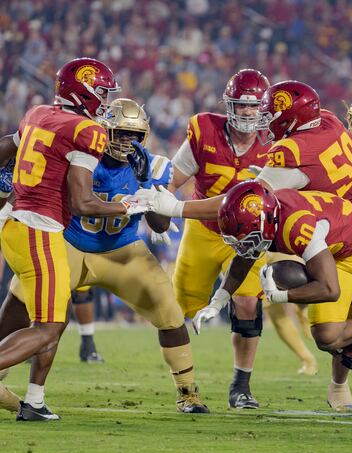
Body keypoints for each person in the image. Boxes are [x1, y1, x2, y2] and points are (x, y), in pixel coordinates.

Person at [5, 98, 209, 413]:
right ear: (104, 129)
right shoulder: (82, 152)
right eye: (121, 133)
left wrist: (147, 183)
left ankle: (188, 392)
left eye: (134, 135)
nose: (127, 141)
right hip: (69, 243)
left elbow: (159, 223)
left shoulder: (152, 165)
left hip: (122, 250)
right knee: (20, 303)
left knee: (169, 312)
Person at [209, 181, 352, 424]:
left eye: (247, 238)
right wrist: (218, 299)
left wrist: (282, 296)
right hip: (338, 253)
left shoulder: (297, 225)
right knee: (327, 335)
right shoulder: (271, 216)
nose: (243, 245)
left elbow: (329, 289)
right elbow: (243, 257)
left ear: (264, 222)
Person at [0, 57, 149, 421]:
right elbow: (83, 202)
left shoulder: (39, 113)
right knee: (48, 326)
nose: (105, 100)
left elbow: (7, 145)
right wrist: (128, 205)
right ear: (83, 91)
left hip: (16, 224)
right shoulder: (87, 130)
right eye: (102, 92)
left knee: (55, 318)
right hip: (40, 228)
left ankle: (34, 402)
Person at [169, 69, 316, 408]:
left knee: (248, 303)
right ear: (229, 105)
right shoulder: (204, 131)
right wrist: (160, 212)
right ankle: (186, 389)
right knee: (178, 311)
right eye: (242, 105)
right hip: (203, 232)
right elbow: (173, 179)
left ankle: (241, 386)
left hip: (250, 237)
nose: (248, 112)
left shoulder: (278, 145)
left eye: (254, 106)